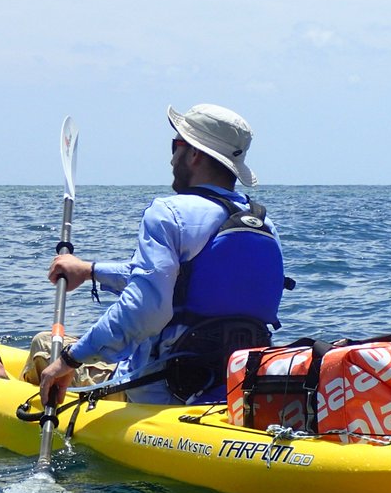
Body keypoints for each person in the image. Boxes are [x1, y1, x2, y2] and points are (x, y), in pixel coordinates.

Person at [35, 103, 288, 405]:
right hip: (235, 388)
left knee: (43, 344)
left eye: (176, 146)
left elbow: (146, 309)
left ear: (194, 154)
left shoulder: (168, 213)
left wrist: (71, 358)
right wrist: (90, 270)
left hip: (161, 390)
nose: (171, 158)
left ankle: (0, 384)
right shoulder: (262, 223)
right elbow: (185, 284)